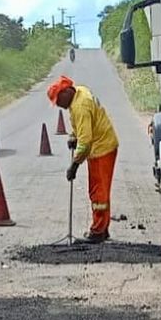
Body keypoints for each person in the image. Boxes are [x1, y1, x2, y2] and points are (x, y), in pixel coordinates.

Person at [46, 75, 119, 243]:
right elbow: (82, 127)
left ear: (65, 92)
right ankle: (103, 228)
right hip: (101, 146)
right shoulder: (80, 91)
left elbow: (85, 143)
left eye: (58, 101)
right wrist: (74, 136)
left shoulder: (80, 105)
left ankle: (98, 231)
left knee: (98, 192)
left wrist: (74, 166)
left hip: (102, 149)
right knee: (99, 190)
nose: (58, 105)